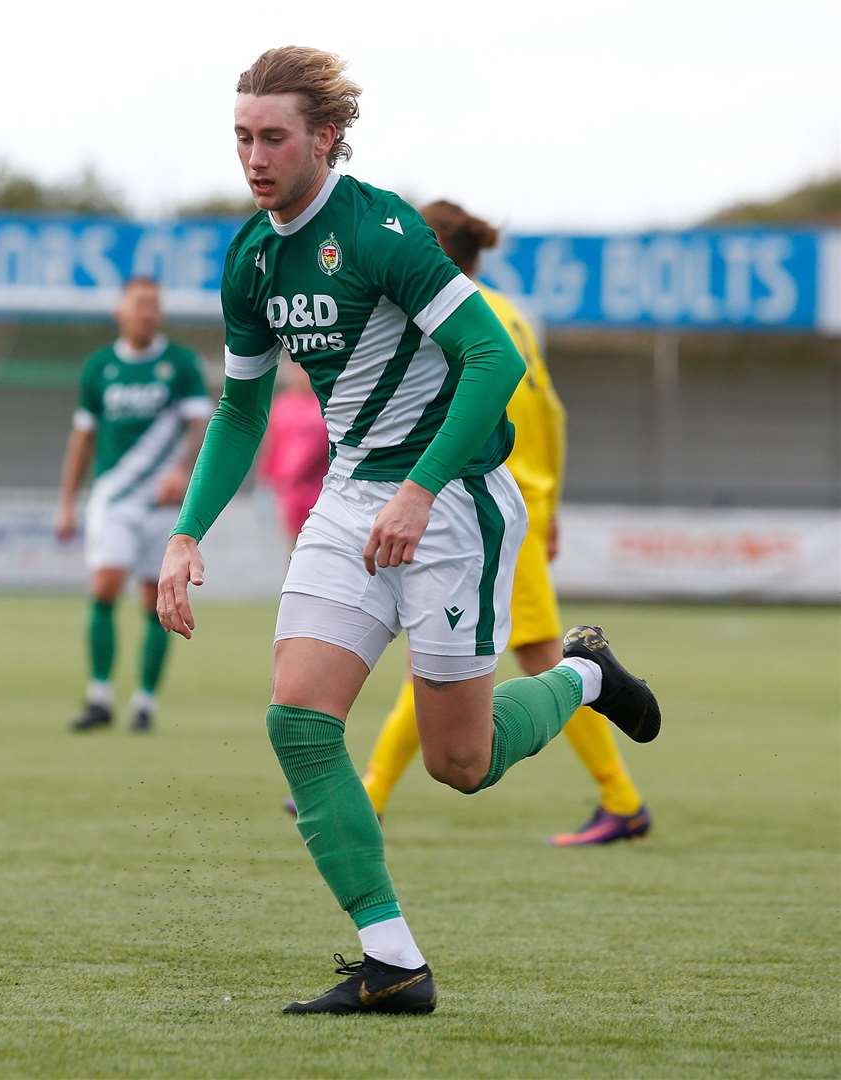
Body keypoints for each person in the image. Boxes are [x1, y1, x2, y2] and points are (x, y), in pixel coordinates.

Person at [156, 46, 661, 1016]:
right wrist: (185, 534)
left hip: (455, 504)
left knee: (457, 765)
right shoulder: (249, 256)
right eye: (240, 138)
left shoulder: (380, 229)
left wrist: (421, 488)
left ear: (324, 139)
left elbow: (488, 358)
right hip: (353, 500)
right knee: (297, 721)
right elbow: (238, 410)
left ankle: (583, 674)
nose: (253, 158)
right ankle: (392, 963)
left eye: (272, 138)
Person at [359, 200, 653, 845]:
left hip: (482, 506)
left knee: (508, 657)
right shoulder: (511, 313)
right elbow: (553, 414)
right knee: (448, 651)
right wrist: (551, 507)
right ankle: (371, 793)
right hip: (521, 501)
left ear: (430, 247)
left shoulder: (451, 315)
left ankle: (622, 798)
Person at [56, 277, 211, 733]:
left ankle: (144, 702)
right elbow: (83, 438)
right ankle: (100, 696)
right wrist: (66, 501)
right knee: (105, 587)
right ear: (119, 311)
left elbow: (202, 425)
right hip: (115, 498)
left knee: (154, 600)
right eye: (139, 304)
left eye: (154, 305)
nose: (148, 312)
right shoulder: (99, 367)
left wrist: (182, 469)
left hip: (164, 504)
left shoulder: (180, 364)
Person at [258, 363, 330, 547]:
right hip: (289, 487)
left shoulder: (325, 406)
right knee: (295, 542)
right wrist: (265, 482)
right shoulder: (281, 405)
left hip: (319, 485)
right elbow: (272, 444)